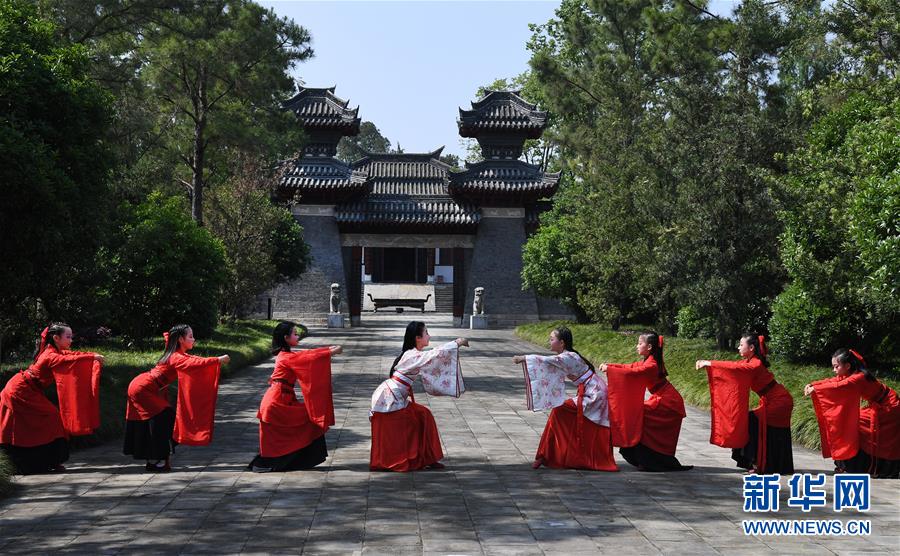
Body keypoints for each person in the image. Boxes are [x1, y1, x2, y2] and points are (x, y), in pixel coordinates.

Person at [1, 323, 104, 474]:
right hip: (20, 390)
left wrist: (90, 356)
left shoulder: (53, 350)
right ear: (56, 338)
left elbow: (70, 356)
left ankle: (46, 460)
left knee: (40, 420)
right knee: (52, 417)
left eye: (71, 337)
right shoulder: (51, 355)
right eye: (68, 337)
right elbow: (67, 361)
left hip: (28, 389)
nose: (71, 340)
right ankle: (47, 460)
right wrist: (92, 357)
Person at [124, 324, 229, 472]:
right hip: (142, 389)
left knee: (163, 421)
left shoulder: (176, 352)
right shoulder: (175, 356)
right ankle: (157, 459)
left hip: (144, 387)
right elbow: (194, 363)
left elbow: (192, 359)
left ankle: (155, 458)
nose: (194, 339)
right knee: (166, 420)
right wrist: (217, 360)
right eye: (190, 336)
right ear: (180, 339)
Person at [513, 326, 617, 471]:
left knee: (559, 410)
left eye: (552, 339)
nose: (549, 341)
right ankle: (557, 455)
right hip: (590, 390)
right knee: (561, 413)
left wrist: (523, 358)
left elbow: (546, 361)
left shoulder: (568, 357)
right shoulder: (568, 356)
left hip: (595, 394)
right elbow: (552, 365)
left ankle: (545, 455)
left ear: (562, 343)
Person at [370, 321, 468, 471]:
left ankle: (427, 457)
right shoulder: (412, 355)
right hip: (389, 398)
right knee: (419, 418)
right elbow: (434, 354)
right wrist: (456, 343)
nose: (429, 336)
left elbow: (431, 357)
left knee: (424, 415)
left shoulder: (412, 354)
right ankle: (413, 457)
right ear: (417, 338)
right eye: (426, 333)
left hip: (392, 395)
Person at [249, 321, 342, 472]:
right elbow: (308, 358)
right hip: (277, 401)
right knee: (307, 420)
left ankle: (279, 462)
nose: (297, 335)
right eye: (295, 333)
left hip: (280, 399)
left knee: (301, 424)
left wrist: (328, 350)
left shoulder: (286, 355)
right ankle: (266, 463)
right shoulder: (285, 357)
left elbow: (306, 354)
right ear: (286, 338)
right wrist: (330, 352)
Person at [696, 334, 793, 474]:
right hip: (772, 400)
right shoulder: (749, 362)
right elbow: (733, 366)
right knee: (753, 424)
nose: (738, 347)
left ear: (752, 347)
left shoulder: (756, 363)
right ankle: (760, 463)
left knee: (751, 422)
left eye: (741, 345)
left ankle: (755, 463)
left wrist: (710, 363)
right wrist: (709, 363)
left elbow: (734, 368)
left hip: (779, 401)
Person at [600, 332, 691, 471]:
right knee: (637, 418)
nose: (637, 346)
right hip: (662, 398)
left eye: (640, 343)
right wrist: (611, 366)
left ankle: (650, 461)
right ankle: (645, 459)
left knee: (638, 417)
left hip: (668, 402)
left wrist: (610, 369)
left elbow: (633, 373)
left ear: (649, 347)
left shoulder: (652, 364)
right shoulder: (648, 360)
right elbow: (630, 367)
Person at [804, 349, 900, 478]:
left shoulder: (858, 377)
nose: (834, 370)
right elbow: (834, 381)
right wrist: (813, 384)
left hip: (889, 407)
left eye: (836, 366)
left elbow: (840, 386)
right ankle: (849, 464)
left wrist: (816, 388)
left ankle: (863, 466)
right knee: (849, 422)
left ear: (847, 366)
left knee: (852, 423)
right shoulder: (852, 374)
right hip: (880, 404)